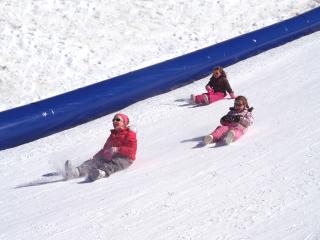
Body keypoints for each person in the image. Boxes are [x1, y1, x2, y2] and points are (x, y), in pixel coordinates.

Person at [64, 113, 137, 182]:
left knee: (114, 163)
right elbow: (105, 149)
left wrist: (118, 149)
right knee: (94, 161)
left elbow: (131, 150)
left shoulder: (130, 134)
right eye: (113, 120)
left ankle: (101, 173)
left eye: (117, 120)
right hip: (112, 156)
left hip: (125, 159)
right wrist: (97, 157)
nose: (114, 121)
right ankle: (76, 172)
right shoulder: (113, 135)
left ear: (124, 123)